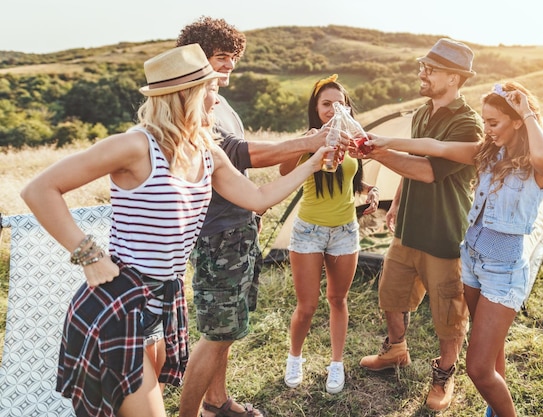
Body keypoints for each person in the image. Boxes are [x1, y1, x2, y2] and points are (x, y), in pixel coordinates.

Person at [19, 43, 329, 417]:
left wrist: (313, 163)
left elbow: (259, 197)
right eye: (212, 91)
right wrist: (90, 255)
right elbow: (38, 190)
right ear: (187, 96)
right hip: (120, 303)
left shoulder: (207, 151)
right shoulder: (135, 146)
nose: (217, 101)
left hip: (165, 301)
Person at [175, 17, 346, 417]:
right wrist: (313, 141)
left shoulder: (219, 99)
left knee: (228, 330)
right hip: (216, 235)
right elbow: (239, 153)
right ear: (197, 54)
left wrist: (310, 155)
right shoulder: (194, 102)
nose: (230, 65)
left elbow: (249, 180)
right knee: (216, 333)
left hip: (238, 225)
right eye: (222, 56)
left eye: (234, 57)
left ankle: (217, 401)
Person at [365, 81, 543, 417]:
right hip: (472, 260)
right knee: (493, 355)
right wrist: (383, 143)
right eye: (484, 121)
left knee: (478, 368)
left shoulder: (536, 166)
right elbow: (434, 147)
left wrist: (526, 110)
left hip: (503, 271)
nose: (487, 130)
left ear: (518, 122)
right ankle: (493, 409)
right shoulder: (487, 152)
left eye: (494, 123)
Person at [354, 38, 484, 411]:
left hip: (445, 234)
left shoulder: (467, 124)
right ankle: (395, 350)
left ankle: (444, 375)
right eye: (422, 66)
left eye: (431, 69)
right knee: (391, 295)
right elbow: (411, 162)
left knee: (448, 313)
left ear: (455, 78)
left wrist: (378, 150)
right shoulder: (421, 113)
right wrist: (396, 203)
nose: (421, 73)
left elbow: (428, 170)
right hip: (409, 226)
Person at [279, 74, 380, 394]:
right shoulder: (309, 138)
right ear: (316, 108)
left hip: (345, 232)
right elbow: (284, 173)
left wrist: (369, 189)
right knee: (306, 306)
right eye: (326, 103)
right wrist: (305, 144)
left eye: (340, 103)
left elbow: (349, 181)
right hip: (309, 231)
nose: (333, 108)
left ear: (348, 108)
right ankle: (295, 358)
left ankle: (336, 364)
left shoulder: (351, 142)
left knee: (338, 299)